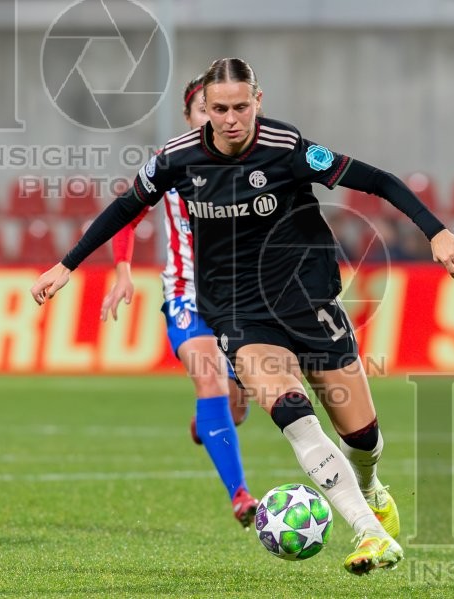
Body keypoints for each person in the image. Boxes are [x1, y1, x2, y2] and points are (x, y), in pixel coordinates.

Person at [31, 58, 454, 575]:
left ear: (258, 102)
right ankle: (370, 534)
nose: (231, 118)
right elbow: (126, 207)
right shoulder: (177, 160)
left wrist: (437, 232)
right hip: (239, 315)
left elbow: (379, 180)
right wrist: (67, 265)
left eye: (241, 106)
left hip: (309, 305)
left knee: (362, 439)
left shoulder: (288, 149)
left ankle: (372, 488)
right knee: (291, 413)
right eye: (219, 109)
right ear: (204, 111)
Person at [100, 74, 258, 529]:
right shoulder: (170, 163)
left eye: (227, 109)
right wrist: (124, 270)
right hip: (187, 294)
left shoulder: (253, 163)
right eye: (207, 109)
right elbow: (126, 216)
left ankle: (209, 423)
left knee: (236, 407)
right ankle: (240, 494)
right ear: (191, 117)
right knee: (209, 381)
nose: (217, 117)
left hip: (239, 298)